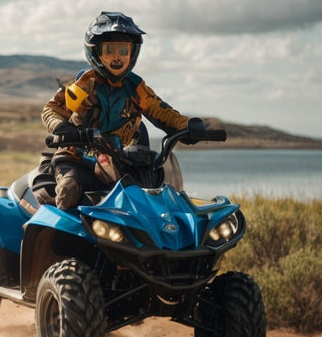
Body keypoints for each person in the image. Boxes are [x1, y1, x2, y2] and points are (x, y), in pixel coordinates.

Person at [40, 11, 203, 209]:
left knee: (153, 200)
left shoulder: (135, 87)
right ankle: (60, 237)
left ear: (133, 53)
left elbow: (161, 111)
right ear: (95, 52)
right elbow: (51, 110)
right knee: (69, 189)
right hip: (79, 158)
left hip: (121, 162)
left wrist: (187, 126)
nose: (117, 57)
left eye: (123, 51)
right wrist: (62, 127)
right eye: (109, 50)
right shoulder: (85, 84)